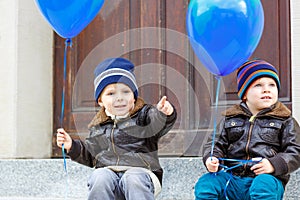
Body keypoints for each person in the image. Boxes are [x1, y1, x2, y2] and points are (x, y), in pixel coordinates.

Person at [56, 57, 177, 200]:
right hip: (110, 178)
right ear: (100, 101)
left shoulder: (144, 116)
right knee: (100, 176)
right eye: (111, 93)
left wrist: (163, 113)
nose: (119, 98)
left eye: (125, 91)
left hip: (142, 177)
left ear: (134, 97)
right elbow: (91, 154)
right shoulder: (99, 126)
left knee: (133, 178)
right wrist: (72, 146)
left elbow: (157, 122)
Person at [194, 59, 300, 200]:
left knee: (263, 185)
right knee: (207, 182)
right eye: (258, 85)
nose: (266, 89)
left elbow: (295, 151)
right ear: (244, 94)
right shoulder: (229, 119)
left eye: (272, 85)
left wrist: (273, 164)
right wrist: (212, 158)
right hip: (232, 179)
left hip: (266, 179)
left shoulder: (285, 119)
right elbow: (215, 145)